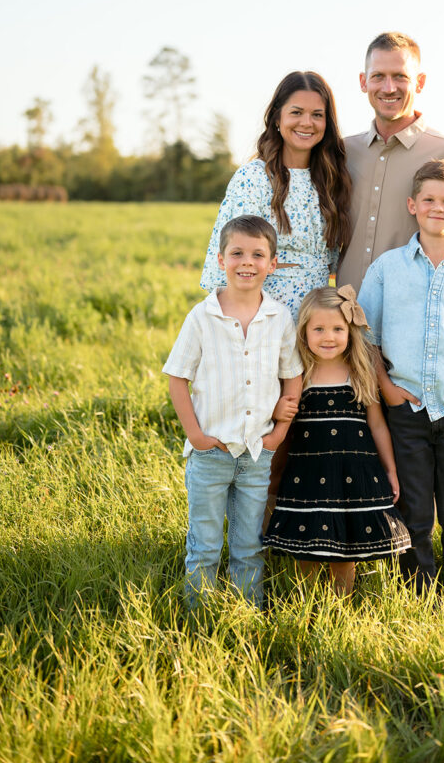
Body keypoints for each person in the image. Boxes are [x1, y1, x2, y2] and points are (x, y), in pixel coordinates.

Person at [357, 160, 444, 610]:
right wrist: (386, 386)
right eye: (430, 199)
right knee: (413, 511)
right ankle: (419, 597)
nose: (439, 208)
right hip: (406, 409)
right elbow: (367, 336)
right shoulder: (387, 268)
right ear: (412, 205)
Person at [163, 215, 303, 609]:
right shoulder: (202, 316)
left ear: (272, 264)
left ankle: (246, 613)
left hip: (257, 453)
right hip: (210, 452)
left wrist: (278, 432)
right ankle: (200, 615)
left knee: (249, 545)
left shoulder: (279, 317)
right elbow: (177, 378)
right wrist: (195, 436)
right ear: (221, 259)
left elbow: (292, 376)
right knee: (204, 544)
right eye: (237, 253)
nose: (247, 262)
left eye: (258, 255)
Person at [337, 32, 444, 349]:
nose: (389, 87)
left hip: (413, 335)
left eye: (400, 77)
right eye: (378, 76)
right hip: (342, 327)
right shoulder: (343, 153)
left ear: (420, 82)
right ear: (363, 82)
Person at [263, 285, 411, 596]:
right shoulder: (299, 373)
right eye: (318, 329)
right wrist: (275, 409)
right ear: (304, 331)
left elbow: (377, 425)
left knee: (346, 549)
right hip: (308, 475)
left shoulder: (359, 371)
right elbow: (282, 414)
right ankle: (305, 604)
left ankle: (339, 606)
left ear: (349, 331)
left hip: (353, 475)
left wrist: (391, 469)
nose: (328, 337)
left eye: (337, 329)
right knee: (305, 546)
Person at [200, 71, 352, 321]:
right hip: (265, 318)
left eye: (317, 115)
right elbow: (233, 258)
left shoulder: (330, 180)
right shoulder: (254, 178)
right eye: (296, 112)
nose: (307, 122)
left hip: (316, 320)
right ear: (277, 118)